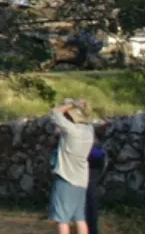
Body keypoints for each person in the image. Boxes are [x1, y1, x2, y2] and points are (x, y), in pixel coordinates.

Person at [49, 99, 95, 234]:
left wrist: (72, 104)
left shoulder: (71, 130)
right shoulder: (89, 131)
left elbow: (54, 113)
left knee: (62, 220)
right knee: (80, 218)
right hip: (81, 180)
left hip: (66, 178)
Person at [85, 143, 107, 234]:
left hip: (84, 158)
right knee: (91, 199)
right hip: (95, 158)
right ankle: (92, 229)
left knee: (86, 201)